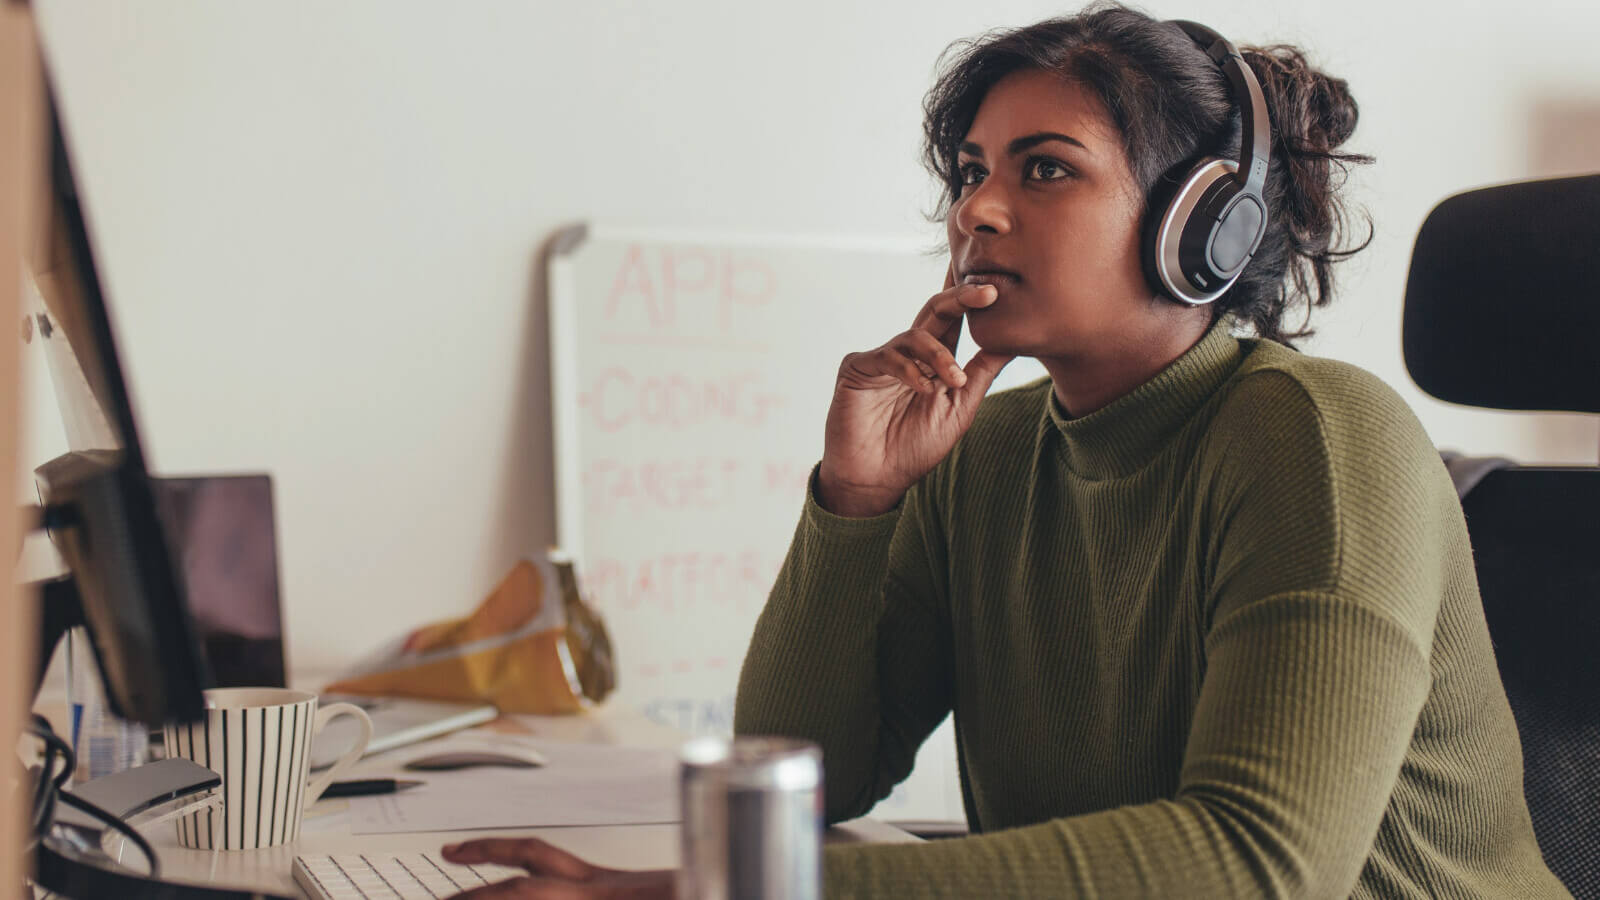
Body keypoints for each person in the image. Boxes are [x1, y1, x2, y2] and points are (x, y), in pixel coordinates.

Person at [437, 4, 1570, 897]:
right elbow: (807, 776)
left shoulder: (1319, 439)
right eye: (972, 172)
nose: (977, 211)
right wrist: (856, 501)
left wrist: (727, 890)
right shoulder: (986, 455)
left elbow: (1258, 869)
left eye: (1044, 168)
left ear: (1199, 225)